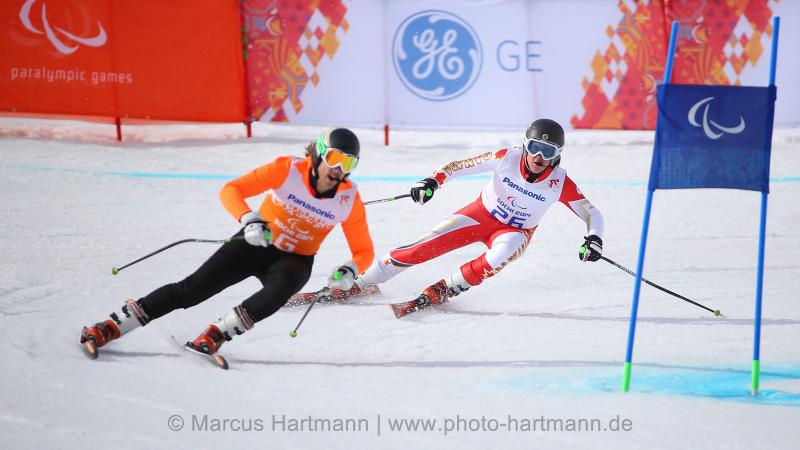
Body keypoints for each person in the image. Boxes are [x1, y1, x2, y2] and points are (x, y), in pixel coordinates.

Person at [80, 128, 375, 355]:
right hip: (257, 242)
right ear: (320, 153)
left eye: (349, 162)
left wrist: (350, 270)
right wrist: (249, 219)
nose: (340, 168)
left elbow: (364, 250)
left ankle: (216, 335)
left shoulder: (349, 198)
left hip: (295, 259)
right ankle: (112, 325)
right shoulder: (287, 169)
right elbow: (232, 189)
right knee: (191, 291)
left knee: (280, 291)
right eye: (336, 157)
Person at [327, 119, 604, 317]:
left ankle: (444, 289)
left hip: (515, 232)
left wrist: (593, 239)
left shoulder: (559, 182)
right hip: (480, 215)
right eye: (535, 148)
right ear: (525, 145)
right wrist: (431, 182)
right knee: (421, 246)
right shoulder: (506, 157)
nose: (539, 157)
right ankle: (360, 284)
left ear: (558, 155)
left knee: (500, 255)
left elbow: (591, 213)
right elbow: (458, 167)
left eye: (549, 152)